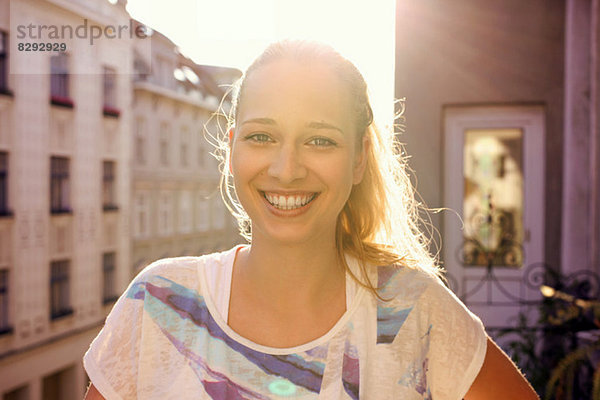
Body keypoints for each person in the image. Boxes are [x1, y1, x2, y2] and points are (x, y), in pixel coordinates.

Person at [84, 40, 539, 399]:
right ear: (230, 149)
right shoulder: (160, 304)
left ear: (359, 159)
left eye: (320, 141)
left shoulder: (411, 311)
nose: (286, 168)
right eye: (262, 136)